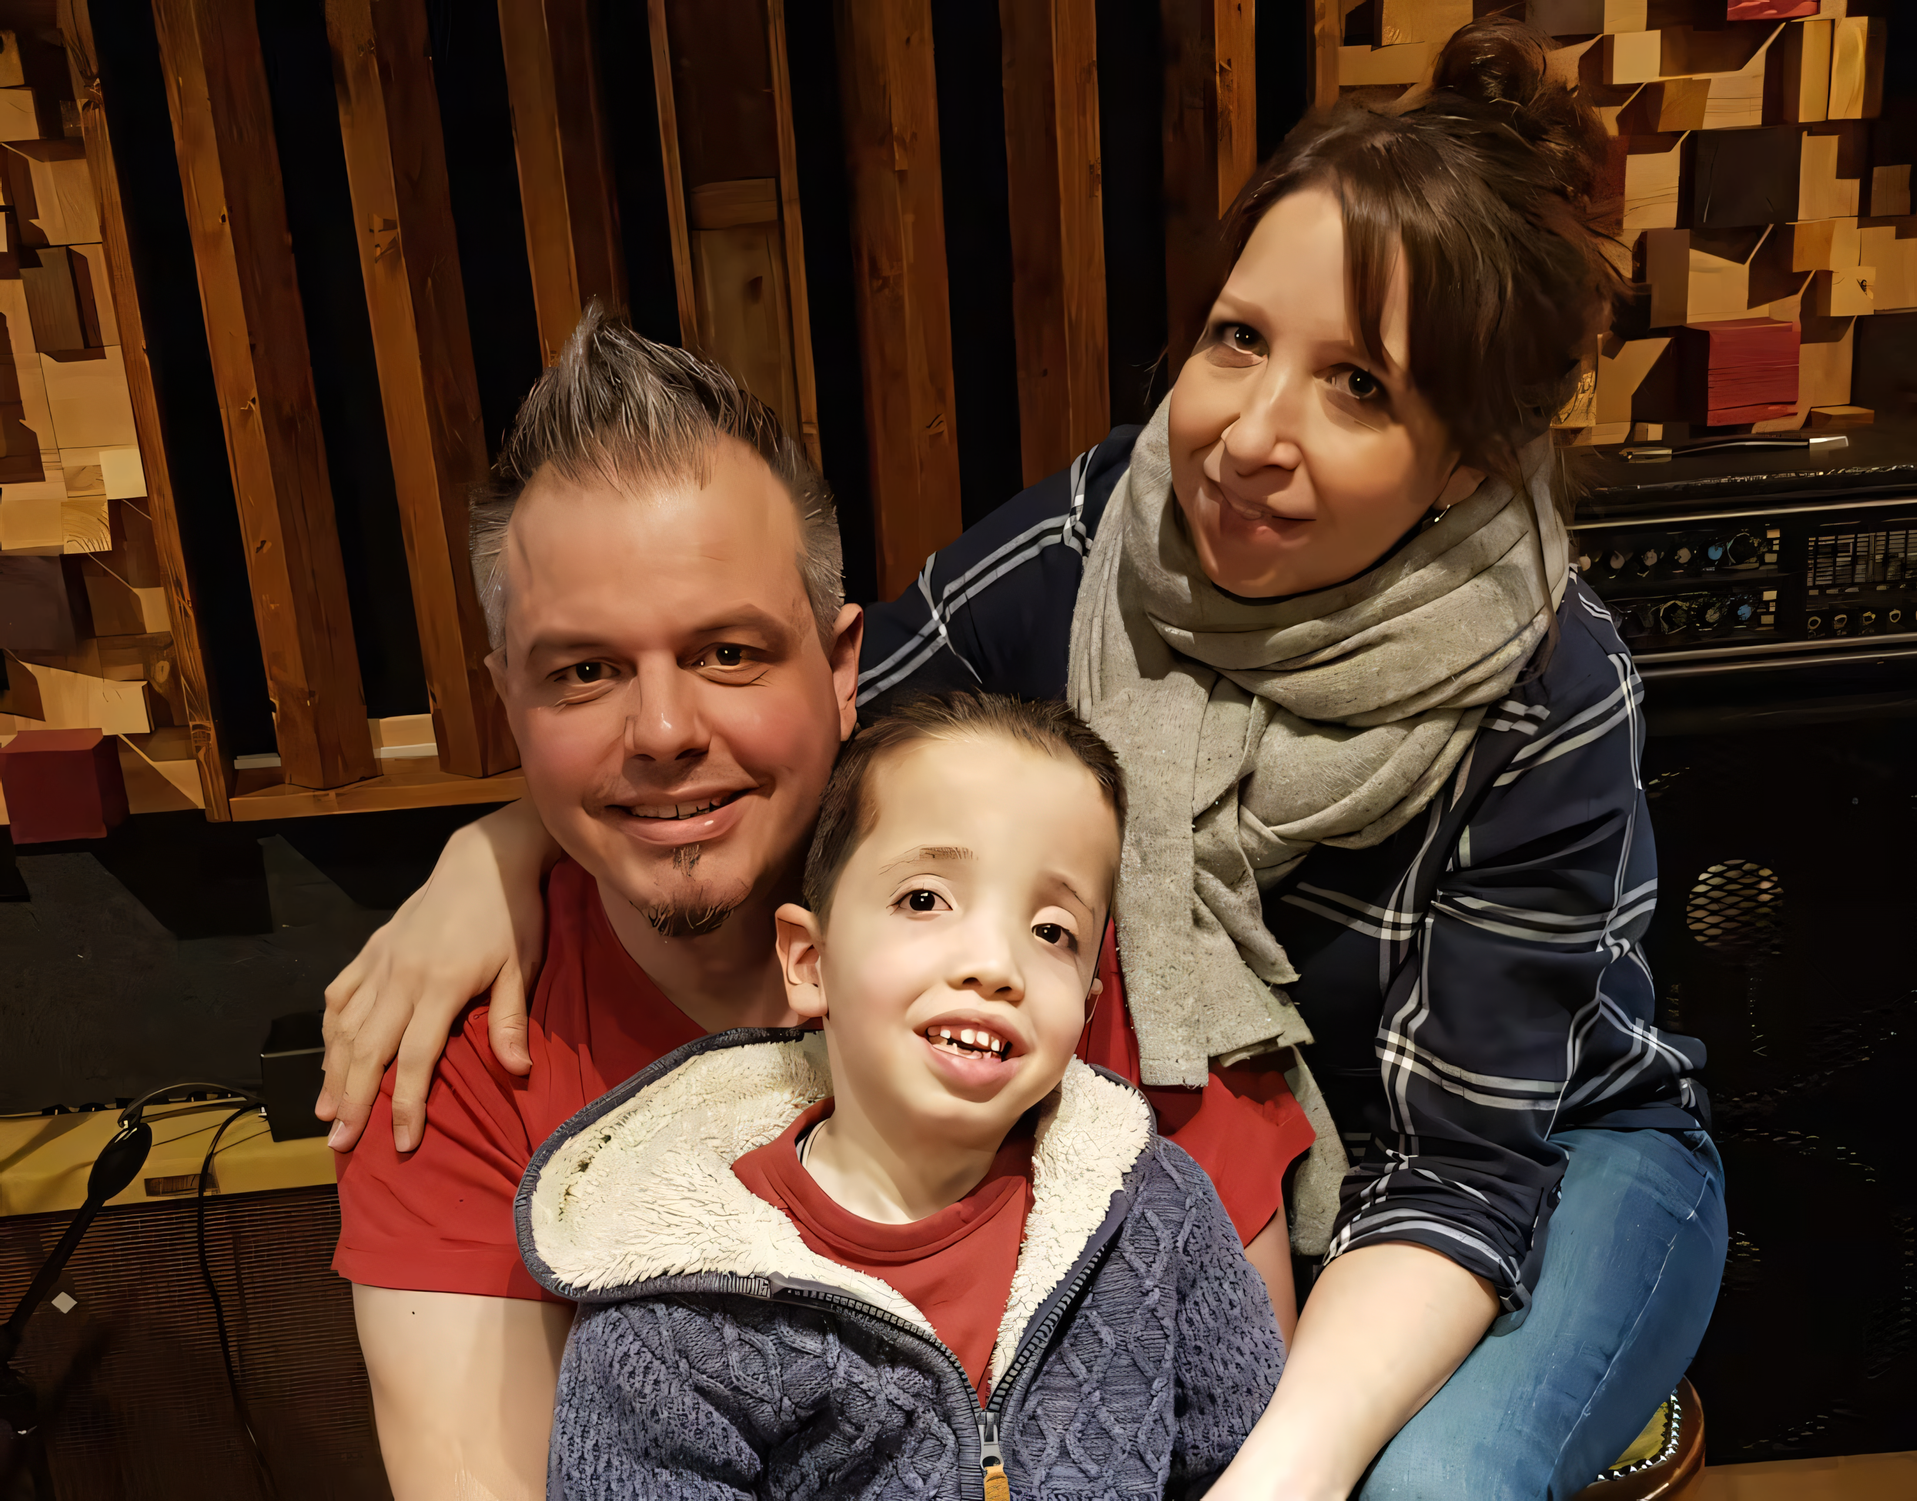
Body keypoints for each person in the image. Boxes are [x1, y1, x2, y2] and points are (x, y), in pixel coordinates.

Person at [329, 19, 1727, 1498]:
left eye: (1361, 385)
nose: (1253, 433)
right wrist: (497, 845)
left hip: (1519, 1163)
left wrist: (1286, 1471)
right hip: (1292, 1166)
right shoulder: (1085, 558)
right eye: (1238, 339)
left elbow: (1468, 1167)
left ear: (1465, 462)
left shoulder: (1545, 678)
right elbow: (790, 746)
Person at [327, 311, 1310, 1501]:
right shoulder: (455, 1052)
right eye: (582, 670)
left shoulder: (1061, 951)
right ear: (507, 706)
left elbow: (1258, 1456)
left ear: (843, 665)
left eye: (728, 653)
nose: (664, 732)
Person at [523, 692, 1286, 1499]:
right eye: (925, 899)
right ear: (810, 961)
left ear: (1087, 1008)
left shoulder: (1158, 1214)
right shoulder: (672, 1316)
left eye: (1053, 930)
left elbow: (1255, 1459)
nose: (994, 963)